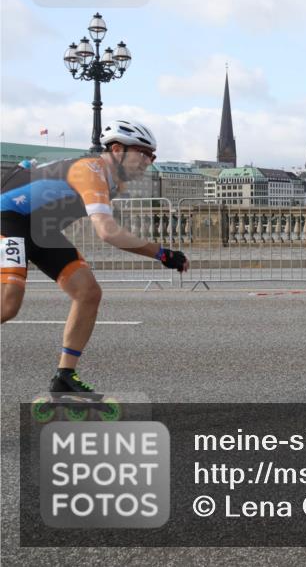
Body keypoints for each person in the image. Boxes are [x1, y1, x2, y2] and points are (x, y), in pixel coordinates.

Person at [1, 120, 189, 397]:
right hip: (9, 219)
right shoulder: (91, 170)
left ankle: (65, 376)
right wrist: (162, 253)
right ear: (117, 149)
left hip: (41, 231)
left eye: (152, 156)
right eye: (143, 153)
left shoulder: (113, 182)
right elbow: (107, 231)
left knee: (88, 293)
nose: (148, 161)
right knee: (8, 304)